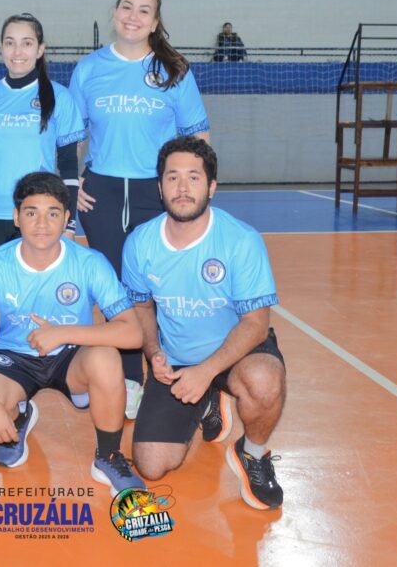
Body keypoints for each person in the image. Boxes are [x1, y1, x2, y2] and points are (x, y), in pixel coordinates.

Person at [0, 172, 146, 496]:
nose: (42, 223)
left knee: (107, 358)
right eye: (32, 213)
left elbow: (133, 333)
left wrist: (62, 333)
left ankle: (108, 457)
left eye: (52, 213)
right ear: (16, 217)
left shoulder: (89, 263)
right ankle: (18, 417)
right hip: (14, 357)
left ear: (67, 219)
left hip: (71, 355)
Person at [70, 0, 210, 419]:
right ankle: (131, 380)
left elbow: (198, 136)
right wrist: (72, 185)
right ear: (114, 12)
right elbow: (70, 136)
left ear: (155, 21)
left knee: (165, 288)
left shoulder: (174, 70)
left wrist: (192, 188)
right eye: (127, 7)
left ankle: (186, 375)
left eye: (144, 10)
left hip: (157, 192)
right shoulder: (88, 69)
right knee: (118, 292)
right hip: (103, 193)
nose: (133, 16)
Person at [123, 136, 286, 511]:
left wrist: (207, 371)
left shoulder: (241, 241)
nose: (182, 188)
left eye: (193, 178)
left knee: (263, 381)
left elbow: (255, 324)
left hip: (236, 353)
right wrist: (154, 353)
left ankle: (252, 453)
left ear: (211, 187)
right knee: (152, 465)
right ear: (160, 187)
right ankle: (210, 403)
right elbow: (142, 308)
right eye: (173, 177)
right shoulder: (140, 243)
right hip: (179, 359)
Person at [0, 13, 86, 365]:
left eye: (27, 43)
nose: (17, 51)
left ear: (40, 49)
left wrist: (68, 224)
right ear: (1, 48)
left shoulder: (59, 98)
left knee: (36, 298)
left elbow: (68, 168)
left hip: (38, 218)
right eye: (10, 43)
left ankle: (35, 368)